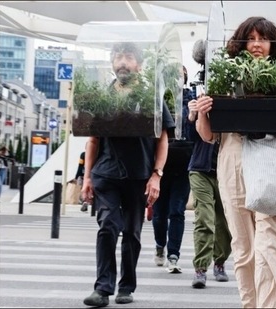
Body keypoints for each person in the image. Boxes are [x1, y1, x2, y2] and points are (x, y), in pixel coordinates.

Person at [194, 16, 276, 308]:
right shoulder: (224, 79)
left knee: (269, 247)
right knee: (243, 248)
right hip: (233, 159)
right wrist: (203, 111)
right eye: (250, 38)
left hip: (273, 159)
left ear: (272, 44)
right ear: (240, 44)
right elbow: (208, 135)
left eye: (262, 39)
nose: (255, 44)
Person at [81, 42, 175, 307]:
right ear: (112, 62)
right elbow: (93, 141)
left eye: (129, 57)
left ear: (139, 64)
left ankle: (126, 286)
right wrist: (87, 178)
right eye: (118, 57)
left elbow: (163, 140)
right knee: (108, 226)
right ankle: (102, 288)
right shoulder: (102, 97)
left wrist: (156, 175)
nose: (123, 62)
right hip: (106, 173)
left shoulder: (151, 97)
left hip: (139, 175)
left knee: (132, 232)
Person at [151, 66, 194, 273]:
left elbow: (196, 130)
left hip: (183, 161)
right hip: (161, 164)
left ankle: (173, 255)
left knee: (177, 211)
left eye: (180, 75)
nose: (177, 79)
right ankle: (160, 245)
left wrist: (195, 114)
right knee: (159, 213)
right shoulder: (157, 99)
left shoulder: (191, 98)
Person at [186, 95, 232, 288]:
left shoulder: (233, 103)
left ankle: (220, 262)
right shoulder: (203, 100)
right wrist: (192, 115)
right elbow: (189, 136)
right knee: (204, 218)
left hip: (225, 171)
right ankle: (201, 268)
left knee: (225, 221)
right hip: (200, 170)